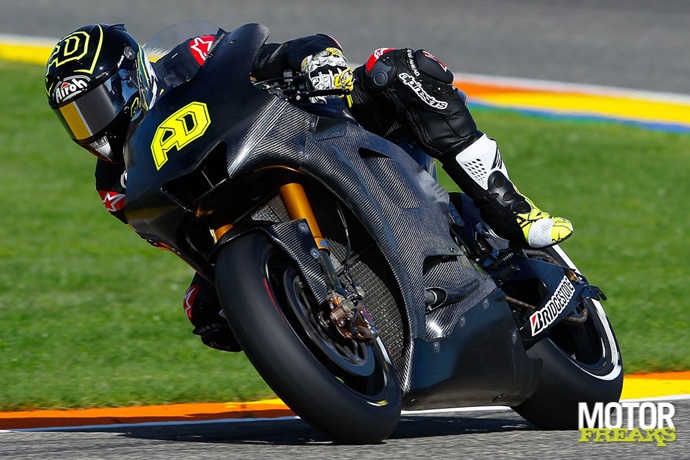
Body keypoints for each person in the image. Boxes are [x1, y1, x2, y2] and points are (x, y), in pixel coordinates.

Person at [45, 23, 572, 352]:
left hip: (318, 129)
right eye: (74, 118)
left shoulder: (189, 59)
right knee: (208, 315)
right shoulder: (115, 184)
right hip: (249, 209)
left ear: (130, 82)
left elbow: (281, 51)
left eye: (94, 106)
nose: (91, 128)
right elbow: (185, 243)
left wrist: (316, 64)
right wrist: (215, 292)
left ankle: (510, 207)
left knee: (399, 70)